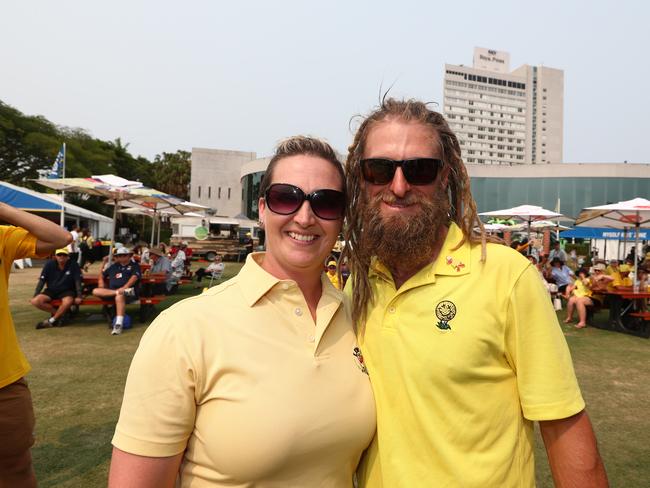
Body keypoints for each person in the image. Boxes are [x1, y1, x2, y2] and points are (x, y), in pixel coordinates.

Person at [342, 98, 607, 487]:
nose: (398, 187)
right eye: (379, 169)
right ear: (362, 179)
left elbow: (562, 423)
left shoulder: (506, 277)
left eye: (420, 170)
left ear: (445, 177)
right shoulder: (361, 283)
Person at [109, 136, 375, 487]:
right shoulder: (186, 328)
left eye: (326, 203)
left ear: (341, 217)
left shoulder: (357, 317)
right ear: (262, 208)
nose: (305, 216)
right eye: (286, 198)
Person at [0, 202, 72, 487]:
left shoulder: (2, 237)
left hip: (4, 383)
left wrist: (2, 208)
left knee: (16, 470)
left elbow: (59, 239)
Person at [92, 247, 141, 335]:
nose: (121, 257)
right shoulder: (113, 266)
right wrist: (101, 281)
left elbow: (134, 277)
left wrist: (125, 287)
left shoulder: (135, 266)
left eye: (124, 255)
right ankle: (117, 292)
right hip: (114, 291)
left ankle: (118, 324)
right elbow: (102, 275)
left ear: (129, 256)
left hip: (130, 291)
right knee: (95, 291)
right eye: (119, 256)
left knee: (119, 296)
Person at [30, 248, 83, 329]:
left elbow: (77, 280)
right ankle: (61, 315)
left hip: (67, 290)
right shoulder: (49, 264)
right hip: (52, 290)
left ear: (68, 256)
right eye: (59, 255)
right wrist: (36, 294)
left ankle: (51, 320)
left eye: (64, 255)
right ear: (55, 256)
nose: (61, 256)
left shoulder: (73, 264)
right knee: (35, 301)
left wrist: (79, 295)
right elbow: (42, 280)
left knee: (68, 301)